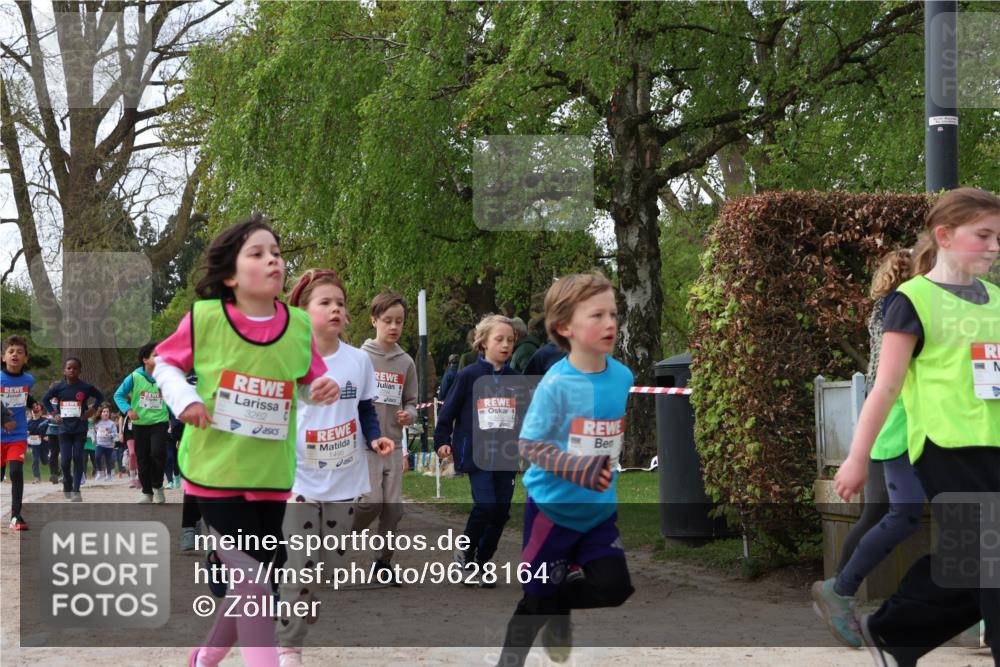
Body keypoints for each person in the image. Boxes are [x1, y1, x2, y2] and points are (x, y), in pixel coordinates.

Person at [152, 215, 339, 667]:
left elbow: (307, 382)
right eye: (257, 253)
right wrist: (186, 400)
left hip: (271, 475)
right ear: (231, 275)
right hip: (215, 471)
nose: (272, 259)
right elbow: (164, 364)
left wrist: (320, 389)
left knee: (253, 581)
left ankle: (206, 656)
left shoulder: (297, 326)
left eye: (276, 252)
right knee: (255, 582)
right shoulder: (206, 318)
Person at [834, 188, 1000, 666]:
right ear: (945, 236)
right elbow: (884, 388)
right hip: (946, 448)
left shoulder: (994, 300)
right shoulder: (912, 299)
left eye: (998, 237)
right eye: (983, 235)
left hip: (993, 444)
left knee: (974, 563)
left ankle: (894, 634)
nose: (994, 246)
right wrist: (857, 457)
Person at [495, 271, 634, 666]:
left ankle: (558, 603)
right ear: (564, 327)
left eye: (613, 313)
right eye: (596, 316)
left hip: (598, 513)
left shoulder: (623, 376)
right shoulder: (555, 383)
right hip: (551, 511)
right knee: (537, 599)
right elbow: (529, 445)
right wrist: (579, 469)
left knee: (615, 588)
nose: (609, 323)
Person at [276, 269, 395, 666]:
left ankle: (306, 592)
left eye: (340, 303)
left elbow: (364, 407)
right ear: (302, 311)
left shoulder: (358, 360)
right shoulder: (287, 357)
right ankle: (290, 644)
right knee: (300, 561)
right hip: (299, 478)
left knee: (329, 564)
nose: (334, 309)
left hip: (344, 476)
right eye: (324, 302)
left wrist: (373, 437)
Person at [811, 249, 926, 648]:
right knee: (899, 511)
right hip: (898, 419)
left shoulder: (886, 306)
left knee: (879, 511)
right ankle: (840, 590)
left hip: (887, 417)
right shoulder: (907, 305)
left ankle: (839, 590)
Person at [434, 314, 524, 585]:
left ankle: (481, 563)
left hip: (506, 454)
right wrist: (441, 441)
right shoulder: (468, 375)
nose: (506, 345)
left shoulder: (514, 378)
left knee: (502, 511)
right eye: (499, 339)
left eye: (510, 340)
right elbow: (447, 413)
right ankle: (464, 551)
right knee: (486, 506)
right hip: (475, 452)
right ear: (482, 343)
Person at [352, 291, 417, 582]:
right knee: (370, 502)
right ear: (374, 320)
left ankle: (383, 563)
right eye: (388, 320)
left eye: (399, 321)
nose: (394, 327)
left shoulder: (406, 363)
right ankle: (336, 535)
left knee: (394, 509)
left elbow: (412, 401)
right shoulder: (360, 357)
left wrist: (409, 414)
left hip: (394, 443)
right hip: (366, 444)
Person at [115, 342, 170, 503]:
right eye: (156, 355)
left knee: (158, 454)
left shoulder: (166, 375)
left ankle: (158, 486)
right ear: (145, 359)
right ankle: (147, 492)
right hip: (140, 424)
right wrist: (128, 410)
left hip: (159, 422)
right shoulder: (135, 376)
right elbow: (118, 395)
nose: (160, 358)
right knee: (143, 458)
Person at [42, 357, 103, 502]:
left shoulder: (85, 387)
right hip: (63, 428)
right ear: (64, 370)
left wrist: (92, 410)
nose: (72, 370)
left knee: (78, 458)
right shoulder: (58, 387)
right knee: (65, 460)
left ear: (80, 370)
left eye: (75, 368)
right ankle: (67, 483)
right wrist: (54, 414)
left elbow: (100, 397)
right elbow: (45, 399)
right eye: (69, 368)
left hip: (80, 428)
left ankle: (76, 490)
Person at [1, 335, 37, 529]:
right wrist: (5, 419)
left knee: (15, 472)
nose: (15, 355)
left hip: (18, 435)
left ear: (25, 359)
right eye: (11, 351)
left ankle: (16, 516)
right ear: (3, 357)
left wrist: (34, 405)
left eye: (19, 352)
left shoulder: (28, 379)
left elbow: (24, 395)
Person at [93, 405, 119, 481]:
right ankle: (100, 473)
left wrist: (109, 435)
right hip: (99, 444)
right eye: (104, 411)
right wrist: (93, 438)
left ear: (109, 413)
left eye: (107, 412)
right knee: (97, 457)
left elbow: (115, 434)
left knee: (108, 460)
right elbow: (93, 432)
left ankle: (109, 475)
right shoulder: (97, 423)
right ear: (101, 413)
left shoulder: (112, 423)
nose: (106, 413)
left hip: (109, 445)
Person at [27, 401, 50, 484]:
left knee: (45, 461)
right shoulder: (29, 422)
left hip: (44, 444)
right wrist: (28, 437)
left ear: (41, 411)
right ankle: (37, 477)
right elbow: (28, 432)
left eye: (38, 410)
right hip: (34, 444)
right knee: (35, 460)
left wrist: (48, 436)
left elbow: (50, 429)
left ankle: (55, 472)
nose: (36, 412)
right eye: (34, 410)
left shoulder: (45, 420)